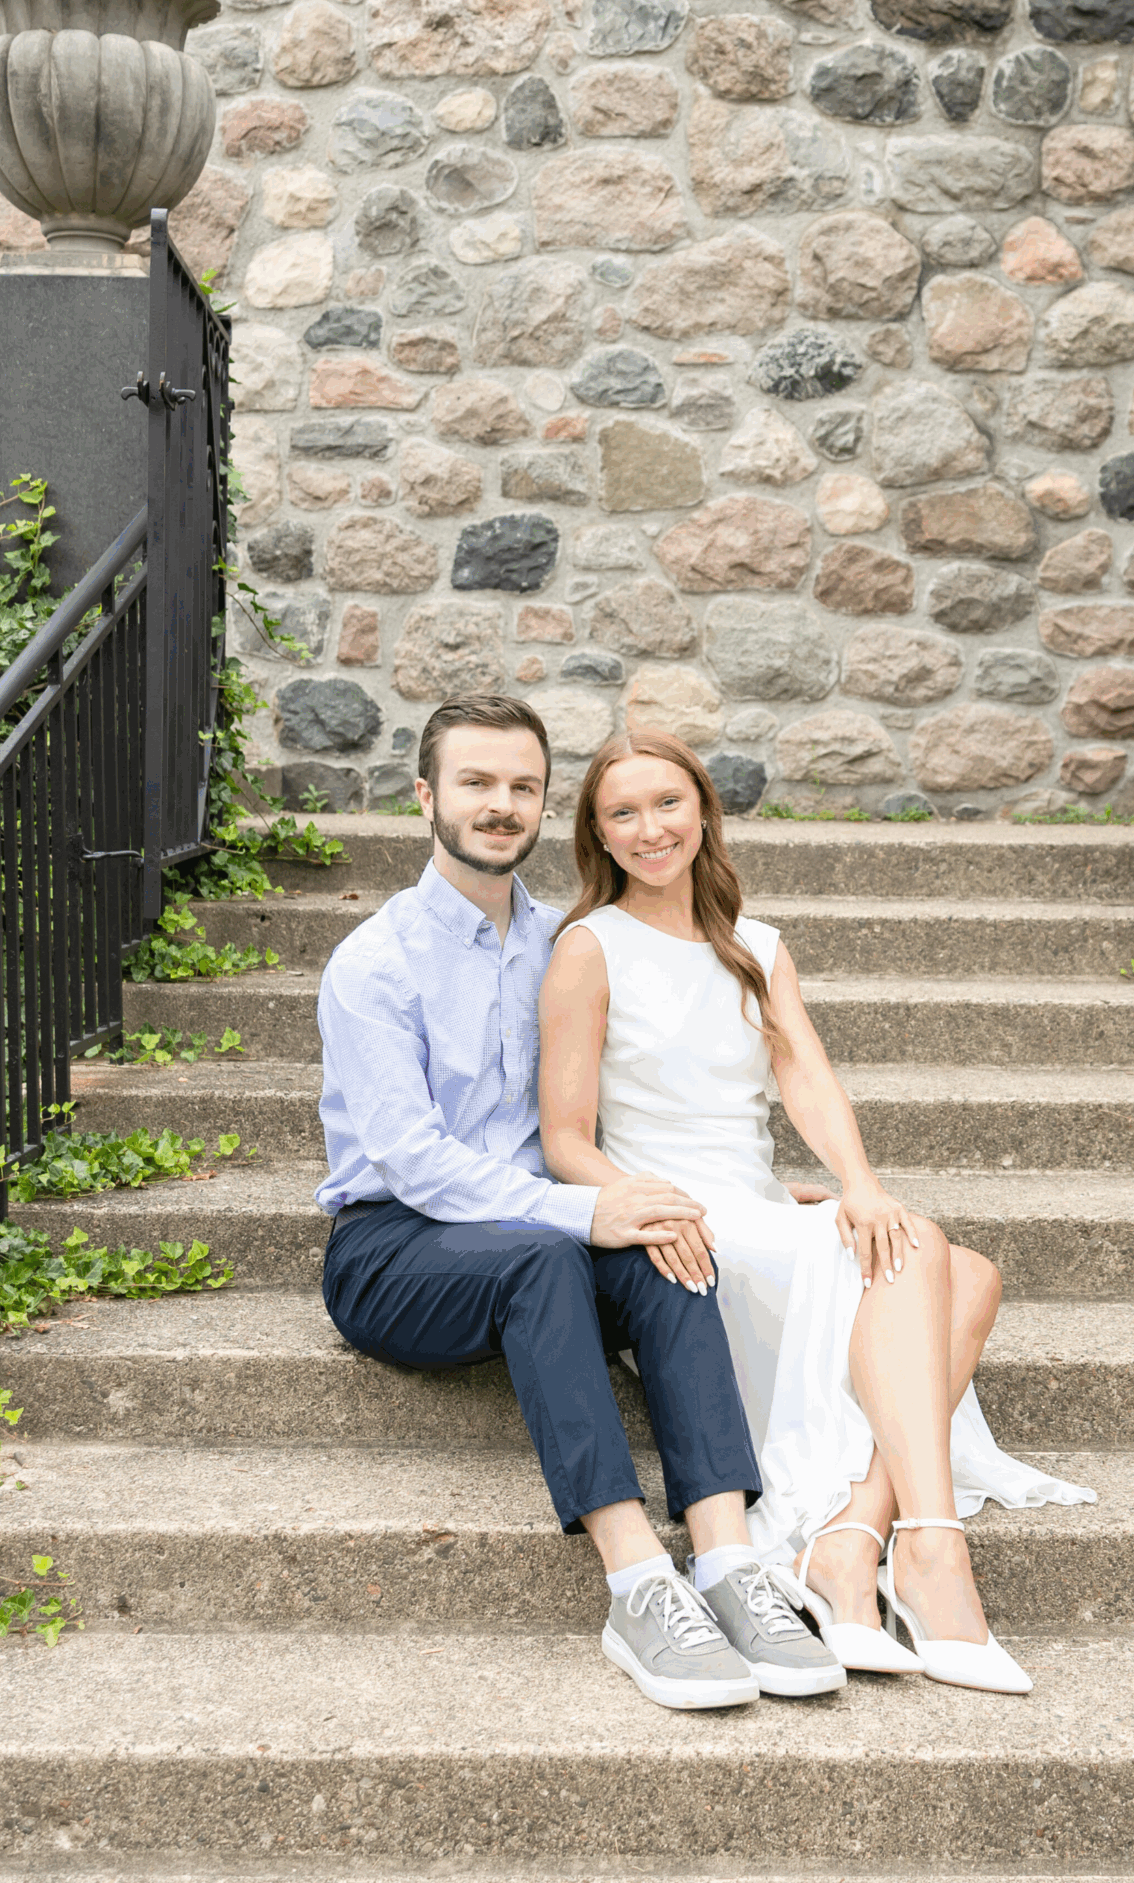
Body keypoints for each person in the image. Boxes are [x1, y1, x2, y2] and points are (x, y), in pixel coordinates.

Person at [314, 694, 848, 1712]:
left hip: (538, 1233)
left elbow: (628, 1095)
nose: (500, 804)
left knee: (664, 1227)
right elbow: (415, 1163)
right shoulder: (373, 964)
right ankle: (637, 1577)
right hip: (395, 1250)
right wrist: (577, 1211)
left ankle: (729, 1560)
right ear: (426, 796)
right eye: (475, 782)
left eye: (522, 785)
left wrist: (740, 1190)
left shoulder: (571, 942)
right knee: (550, 1248)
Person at [539, 730, 1093, 1696]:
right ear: (598, 835)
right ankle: (927, 1552)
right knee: (930, 1256)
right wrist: (644, 1203)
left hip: (755, 1204)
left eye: (667, 803)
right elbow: (565, 1135)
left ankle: (857, 1537)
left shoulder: (755, 946)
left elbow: (805, 1077)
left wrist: (858, 1180)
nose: (650, 828)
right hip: (684, 1232)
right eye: (620, 813)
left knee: (958, 1262)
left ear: (703, 809)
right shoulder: (588, 949)